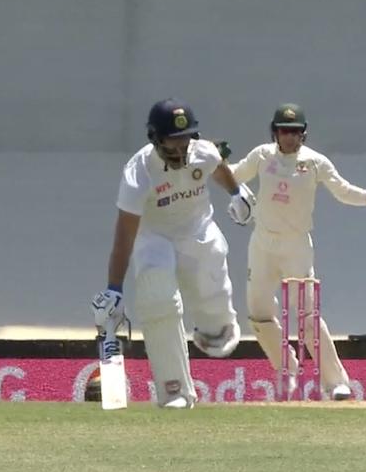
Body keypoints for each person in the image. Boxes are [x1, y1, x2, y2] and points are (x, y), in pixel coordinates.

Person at [228, 103, 366, 400]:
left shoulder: (314, 162)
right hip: (262, 244)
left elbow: (344, 191)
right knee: (258, 315)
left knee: (308, 317)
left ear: (304, 134)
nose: (290, 137)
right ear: (275, 132)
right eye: (284, 131)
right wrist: (215, 162)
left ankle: (336, 383)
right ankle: (288, 368)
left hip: (296, 246)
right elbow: (233, 176)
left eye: (296, 132)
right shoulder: (261, 156)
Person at [91, 99, 255, 409]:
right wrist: (114, 288)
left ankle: (213, 326)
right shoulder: (139, 172)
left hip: (197, 229)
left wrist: (237, 192)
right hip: (154, 236)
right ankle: (174, 390)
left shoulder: (201, 150)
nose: (180, 149)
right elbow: (124, 235)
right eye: (172, 141)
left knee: (213, 272)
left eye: (185, 139)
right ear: (155, 138)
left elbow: (217, 165)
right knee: (157, 298)